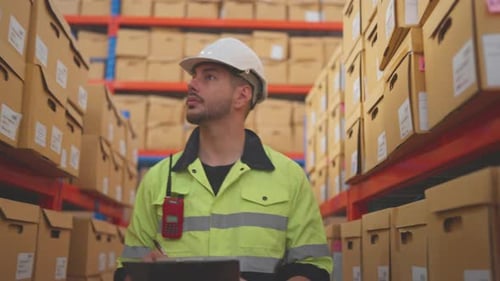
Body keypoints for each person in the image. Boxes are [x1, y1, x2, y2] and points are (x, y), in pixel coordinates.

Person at [115, 37, 333, 281]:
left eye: (209, 77)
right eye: (193, 76)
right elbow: (127, 268)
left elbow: (313, 269)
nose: (192, 85)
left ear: (242, 95)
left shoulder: (289, 178)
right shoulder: (158, 179)